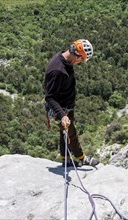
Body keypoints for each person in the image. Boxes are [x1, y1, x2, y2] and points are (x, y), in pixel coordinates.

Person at [44, 39, 99, 167]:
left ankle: (66, 159)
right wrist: (62, 115)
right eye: (81, 59)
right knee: (70, 132)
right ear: (77, 54)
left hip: (66, 105)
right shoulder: (57, 70)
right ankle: (81, 158)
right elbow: (50, 97)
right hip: (59, 108)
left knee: (66, 132)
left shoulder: (65, 58)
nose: (80, 62)